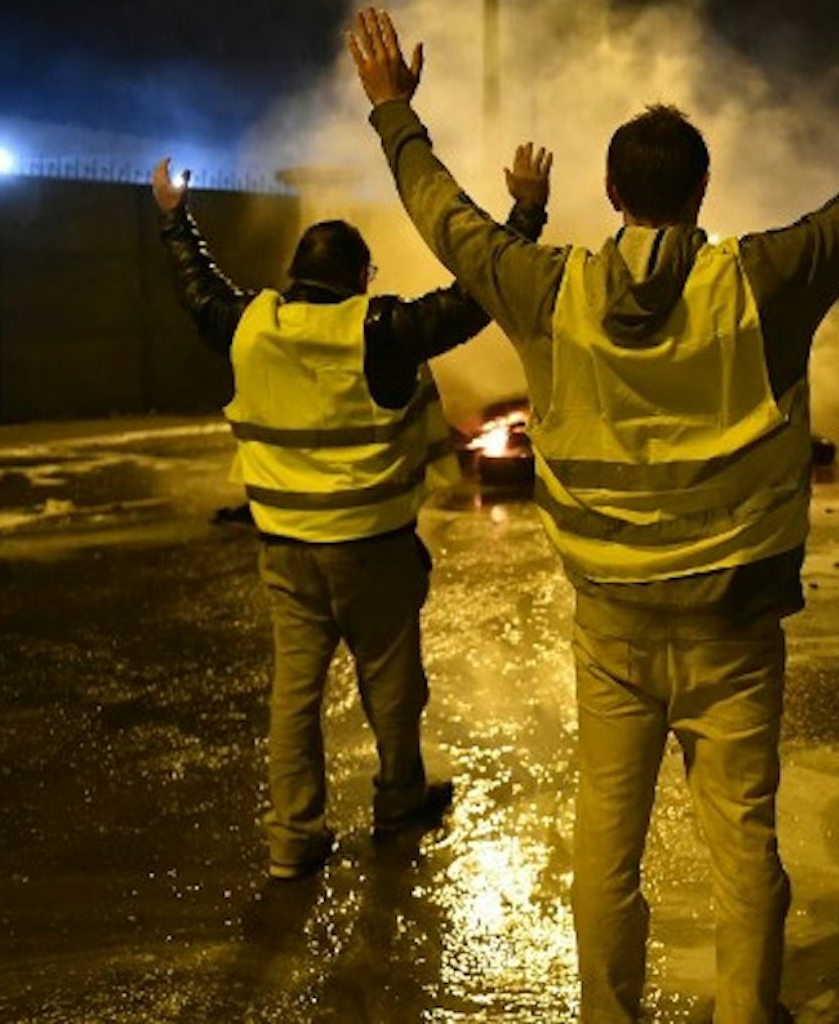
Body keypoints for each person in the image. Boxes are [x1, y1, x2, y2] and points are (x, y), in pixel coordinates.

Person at [345, 0, 839, 1024]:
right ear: (702, 188)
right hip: (734, 623)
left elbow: (447, 219)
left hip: (612, 621)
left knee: (605, 840)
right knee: (744, 843)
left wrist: (393, 110)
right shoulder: (766, 278)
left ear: (611, 195)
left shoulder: (549, 286)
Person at [150, 157, 548, 880]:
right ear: (362, 277)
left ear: (294, 271)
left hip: (286, 551)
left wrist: (174, 215)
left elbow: (195, 288)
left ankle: (293, 838)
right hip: (373, 550)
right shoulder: (382, 328)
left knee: (293, 699)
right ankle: (398, 803)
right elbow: (474, 299)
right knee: (392, 686)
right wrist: (524, 216)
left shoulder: (249, 323)